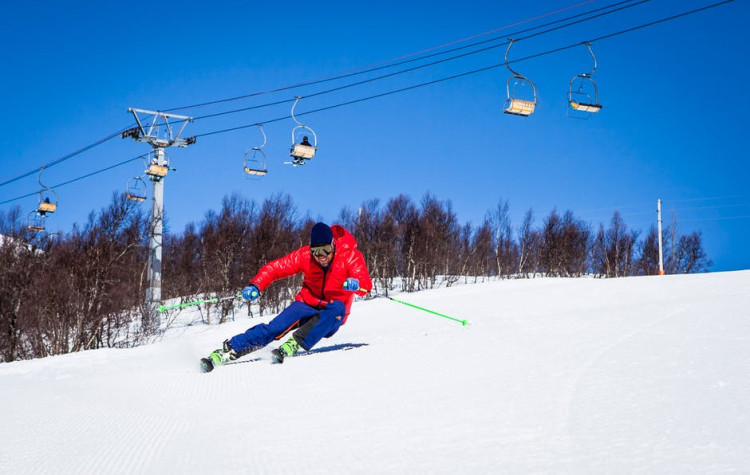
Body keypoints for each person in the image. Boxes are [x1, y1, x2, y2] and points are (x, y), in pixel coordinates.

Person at [204, 222, 372, 370]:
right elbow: (276, 268)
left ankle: (295, 343)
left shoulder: (350, 256)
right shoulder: (305, 256)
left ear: (333, 245)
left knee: (337, 307)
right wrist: (256, 284)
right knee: (275, 327)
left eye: (325, 250)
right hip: (307, 304)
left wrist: (357, 285)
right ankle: (231, 349)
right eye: (316, 251)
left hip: (332, 314)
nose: (321, 257)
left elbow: (365, 285)